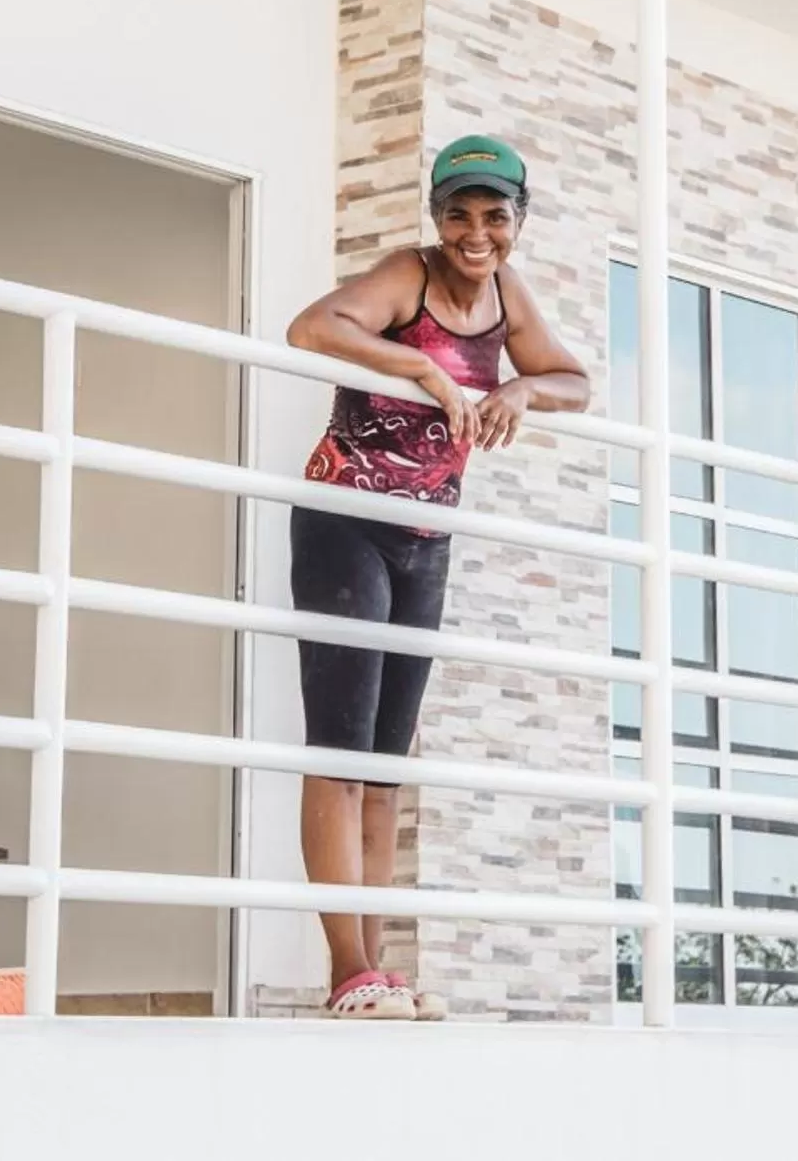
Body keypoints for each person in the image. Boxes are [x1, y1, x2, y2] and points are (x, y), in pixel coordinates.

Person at [284, 134, 593, 1020]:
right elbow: (313, 327)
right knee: (340, 753)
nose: (476, 232)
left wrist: (523, 392)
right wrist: (417, 363)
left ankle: (375, 973)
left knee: (387, 767)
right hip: (348, 523)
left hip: (427, 540)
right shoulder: (408, 276)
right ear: (436, 217)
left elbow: (573, 379)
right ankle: (348, 972)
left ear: (517, 223)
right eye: (459, 213)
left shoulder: (505, 294)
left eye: (495, 215)